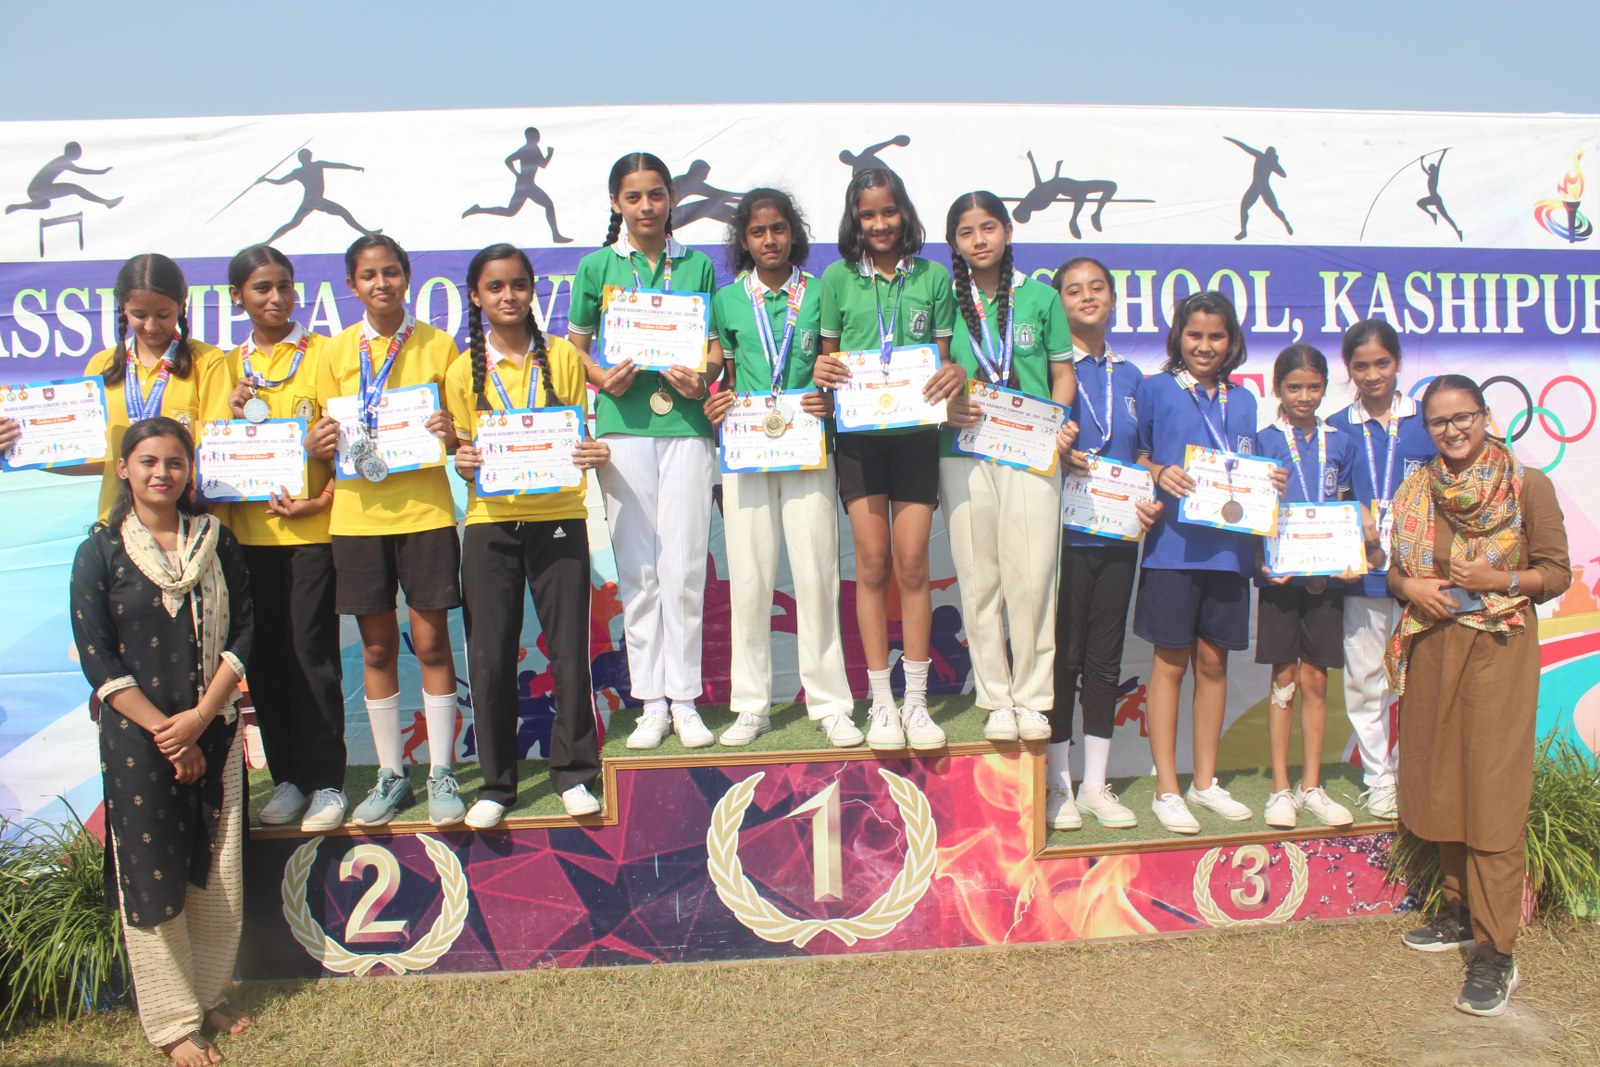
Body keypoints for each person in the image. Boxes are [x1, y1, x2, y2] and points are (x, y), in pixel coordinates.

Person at [69, 418, 254, 1067]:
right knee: (152, 875)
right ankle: (173, 1020)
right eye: (148, 461)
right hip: (137, 742)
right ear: (124, 468)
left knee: (216, 868)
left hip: (216, 726)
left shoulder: (216, 541)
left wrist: (200, 720)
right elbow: (97, 656)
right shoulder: (100, 551)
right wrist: (169, 734)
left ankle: (208, 993)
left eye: (175, 462)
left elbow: (245, 631)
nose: (162, 473)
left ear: (189, 470)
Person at [1386, 374, 1569, 1017]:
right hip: (1434, 644)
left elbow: (1556, 573)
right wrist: (1410, 589)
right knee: (1441, 778)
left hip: (1499, 648)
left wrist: (1499, 578)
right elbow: (1396, 569)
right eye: (1439, 422)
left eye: (1463, 416)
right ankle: (1458, 913)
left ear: (1486, 416)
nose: (1453, 430)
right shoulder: (1416, 488)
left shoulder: (1526, 485)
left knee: (1491, 789)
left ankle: (1496, 951)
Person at [566, 152, 725, 750]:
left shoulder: (697, 265)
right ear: (616, 203)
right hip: (622, 428)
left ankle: (685, 700)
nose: (646, 206)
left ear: (671, 199)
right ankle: (650, 703)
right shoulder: (597, 266)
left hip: (685, 426)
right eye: (633, 197)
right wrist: (600, 377)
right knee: (638, 571)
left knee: (683, 568)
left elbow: (715, 350)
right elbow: (573, 348)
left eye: (656, 194)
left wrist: (702, 377)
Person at [446, 243, 608, 824]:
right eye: (495, 287)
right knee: (490, 656)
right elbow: (463, 450)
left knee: (568, 650)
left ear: (532, 290)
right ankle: (496, 785)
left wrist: (589, 450)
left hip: (559, 516)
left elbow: (577, 432)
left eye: (518, 284)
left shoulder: (561, 355)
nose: (508, 296)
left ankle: (575, 773)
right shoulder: (460, 369)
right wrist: (463, 459)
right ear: (476, 296)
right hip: (489, 524)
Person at [308, 235, 464, 827]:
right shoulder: (333, 351)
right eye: (369, 275)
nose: (382, 283)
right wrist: (315, 442)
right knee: (376, 648)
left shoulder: (438, 344)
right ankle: (391, 773)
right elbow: (317, 431)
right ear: (352, 285)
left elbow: (460, 432)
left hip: (425, 513)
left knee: (431, 644)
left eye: (392, 272)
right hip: (356, 519)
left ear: (407, 277)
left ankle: (441, 770)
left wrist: (450, 431)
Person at [812, 167, 965, 751]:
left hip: (916, 435)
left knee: (914, 563)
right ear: (855, 219)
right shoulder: (836, 278)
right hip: (859, 437)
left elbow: (943, 359)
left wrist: (952, 373)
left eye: (888, 211)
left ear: (904, 213)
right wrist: (823, 369)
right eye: (868, 214)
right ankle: (881, 702)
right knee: (873, 564)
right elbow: (827, 361)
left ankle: (917, 703)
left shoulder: (932, 277)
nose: (879, 223)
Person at [702, 189, 862, 748]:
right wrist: (715, 401)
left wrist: (829, 397)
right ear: (743, 241)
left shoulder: (820, 293)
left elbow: (838, 367)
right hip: (747, 449)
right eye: (757, 232)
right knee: (749, 578)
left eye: (778, 229)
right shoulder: (726, 301)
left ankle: (830, 703)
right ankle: (752, 705)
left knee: (817, 575)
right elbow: (720, 376)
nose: (769, 240)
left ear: (793, 233)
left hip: (809, 445)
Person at [1133, 291, 1285, 834]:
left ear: (1231, 341)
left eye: (1216, 336)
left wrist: (1272, 480)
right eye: (1194, 334)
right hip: (1171, 549)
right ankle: (1167, 787)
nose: (1204, 345)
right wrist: (1157, 471)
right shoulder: (1154, 388)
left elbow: (1250, 467)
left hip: (1228, 552)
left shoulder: (1243, 401)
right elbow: (1134, 453)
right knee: (1170, 662)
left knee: (1214, 663)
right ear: (1178, 337)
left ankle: (1204, 781)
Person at [939, 192, 1075, 748]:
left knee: (1034, 576)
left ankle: (1034, 697)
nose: (979, 240)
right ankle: (996, 696)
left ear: (1008, 232)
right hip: (963, 452)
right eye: (967, 232)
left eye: (989, 228)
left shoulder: (1041, 297)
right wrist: (945, 408)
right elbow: (931, 371)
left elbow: (1062, 374)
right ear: (954, 244)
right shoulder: (945, 300)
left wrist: (1058, 422)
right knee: (979, 578)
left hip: (1032, 452)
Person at [218, 244, 346, 832]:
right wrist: (230, 415)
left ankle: (327, 781)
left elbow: (356, 442)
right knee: (265, 659)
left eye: (284, 286)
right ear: (238, 297)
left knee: (312, 655)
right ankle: (288, 779)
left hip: (311, 532)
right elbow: (208, 452)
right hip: (246, 537)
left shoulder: (326, 353)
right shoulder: (225, 367)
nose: (275, 298)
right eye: (261, 288)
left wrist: (321, 494)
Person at [1049, 257, 1160, 831]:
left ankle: (1095, 784)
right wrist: (1055, 449)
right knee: (1062, 653)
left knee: (1104, 655)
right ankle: (1056, 782)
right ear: (1058, 303)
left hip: (1118, 531)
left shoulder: (1133, 376)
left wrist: (1149, 492)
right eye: (1074, 290)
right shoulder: (1048, 368)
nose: (1087, 296)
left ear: (1114, 300)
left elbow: (1142, 453)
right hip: (1062, 530)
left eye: (1097, 288)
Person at [12, 254, 228, 520]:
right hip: (117, 520)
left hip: (185, 520)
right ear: (123, 306)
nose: (151, 326)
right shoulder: (102, 365)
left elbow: (216, 452)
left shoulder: (207, 361)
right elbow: (93, 460)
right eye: (140, 315)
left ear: (183, 302)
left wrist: (184, 509)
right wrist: (21, 450)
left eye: (163, 315)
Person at [1325, 319, 1435, 818]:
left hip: (1420, 577)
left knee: (1421, 681)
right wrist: (1352, 511)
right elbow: (1322, 495)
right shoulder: (1335, 427)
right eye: (1361, 365)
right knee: (1366, 679)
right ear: (1348, 369)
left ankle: (1415, 774)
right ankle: (1379, 778)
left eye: (1382, 363)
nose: (1372, 375)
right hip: (1362, 576)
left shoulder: (1426, 419)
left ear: (1399, 362)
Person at [1251, 345, 1357, 830]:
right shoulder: (1262, 442)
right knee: (1285, 679)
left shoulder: (1342, 443)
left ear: (1325, 388)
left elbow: (1348, 506)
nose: (1304, 396)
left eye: (1314, 387)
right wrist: (1260, 561)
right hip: (1280, 576)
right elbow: (1251, 513)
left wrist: (1354, 557)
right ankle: (1280, 787)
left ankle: (1311, 786)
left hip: (1326, 577)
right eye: (1294, 387)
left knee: (1316, 678)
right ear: (1277, 389)